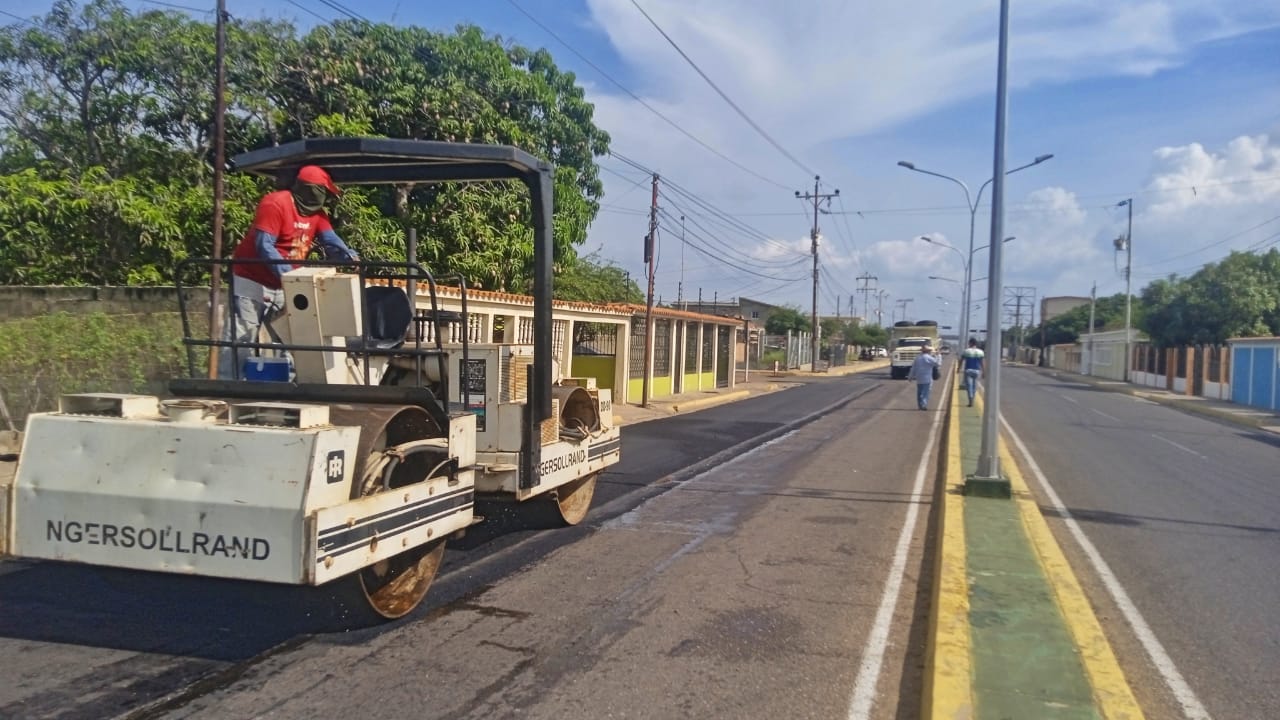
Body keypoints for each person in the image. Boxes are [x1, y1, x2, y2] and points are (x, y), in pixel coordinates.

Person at [220, 165, 360, 379]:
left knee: (294, 333)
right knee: (243, 335)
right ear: (312, 190)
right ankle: (227, 388)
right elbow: (264, 245)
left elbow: (331, 241)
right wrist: (288, 276)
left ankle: (292, 385)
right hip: (252, 277)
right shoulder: (276, 203)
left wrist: (349, 256)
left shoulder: (318, 215)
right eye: (323, 193)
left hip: (287, 282)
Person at [907, 345, 941, 411]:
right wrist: (938, 356)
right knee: (925, 392)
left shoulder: (917, 358)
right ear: (928, 351)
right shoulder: (929, 358)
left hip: (919, 378)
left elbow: (913, 368)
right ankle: (923, 405)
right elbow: (937, 364)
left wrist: (910, 377)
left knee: (919, 392)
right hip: (927, 378)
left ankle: (920, 405)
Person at [960, 338, 985, 407]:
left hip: (968, 370)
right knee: (974, 386)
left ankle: (970, 399)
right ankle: (972, 398)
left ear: (970, 343)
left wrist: (958, 369)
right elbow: (982, 363)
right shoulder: (980, 352)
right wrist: (984, 372)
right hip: (977, 371)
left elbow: (961, 360)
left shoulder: (966, 351)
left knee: (969, 386)